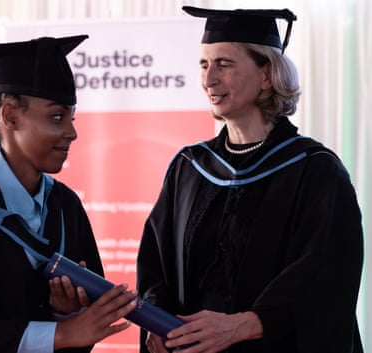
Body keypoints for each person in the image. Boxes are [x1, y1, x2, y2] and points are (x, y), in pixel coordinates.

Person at [137, 5, 364, 353]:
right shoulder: (189, 167)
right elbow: (155, 267)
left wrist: (244, 325)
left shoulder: (313, 171)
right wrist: (157, 319)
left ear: (267, 75)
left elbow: (326, 279)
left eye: (224, 64)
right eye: (203, 64)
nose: (209, 78)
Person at [0, 35, 137, 353]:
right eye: (56, 117)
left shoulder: (65, 205)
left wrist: (64, 311)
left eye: (71, 117)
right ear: (10, 116)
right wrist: (61, 332)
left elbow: (84, 330)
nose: (72, 131)